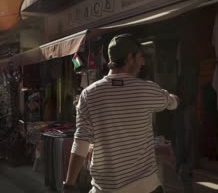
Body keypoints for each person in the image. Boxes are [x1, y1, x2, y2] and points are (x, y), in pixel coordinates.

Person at [63, 35, 179, 193]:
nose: (143, 62)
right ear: (130, 58)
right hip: (145, 187)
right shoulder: (146, 89)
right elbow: (171, 102)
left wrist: (69, 184)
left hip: (105, 188)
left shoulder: (89, 94)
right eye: (140, 57)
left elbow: (81, 142)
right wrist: (175, 99)